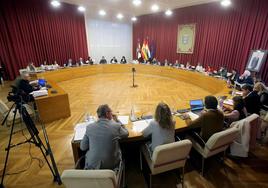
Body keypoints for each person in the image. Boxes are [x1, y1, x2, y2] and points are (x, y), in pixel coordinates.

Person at [80, 104, 129, 169]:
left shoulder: (89, 127)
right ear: (107, 113)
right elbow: (126, 133)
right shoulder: (115, 126)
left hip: (93, 167)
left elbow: (83, 147)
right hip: (111, 165)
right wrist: (117, 121)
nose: (112, 113)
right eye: (111, 112)